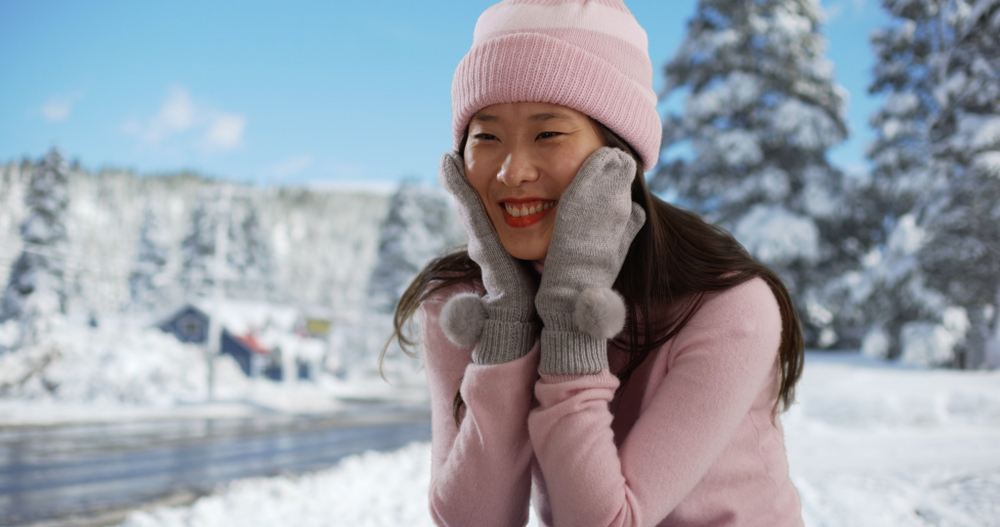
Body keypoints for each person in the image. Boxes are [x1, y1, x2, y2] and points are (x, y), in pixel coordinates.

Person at [387, 1, 806, 525]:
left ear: (617, 156)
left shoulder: (726, 306)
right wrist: (508, 322)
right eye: (486, 137)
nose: (513, 172)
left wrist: (570, 316)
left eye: (548, 134)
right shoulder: (460, 302)